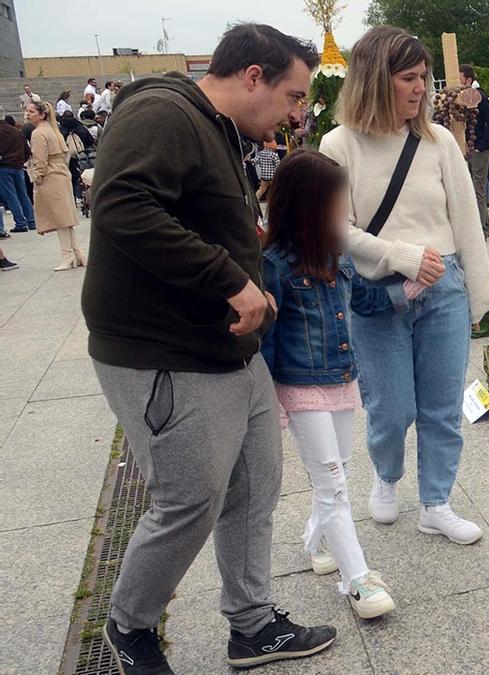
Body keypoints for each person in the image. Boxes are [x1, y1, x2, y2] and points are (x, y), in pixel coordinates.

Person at [83, 23, 336, 673]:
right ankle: (130, 624)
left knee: (255, 486)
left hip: (231, 350)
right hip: (167, 352)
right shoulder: (162, 113)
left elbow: (188, 210)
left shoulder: (218, 127)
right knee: (190, 498)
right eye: (292, 95)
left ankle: (251, 624)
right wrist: (229, 279)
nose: (296, 112)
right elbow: (121, 206)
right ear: (253, 77)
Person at [318, 26, 489, 544]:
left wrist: (479, 295)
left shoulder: (438, 141)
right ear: (376, 79)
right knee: (391, 409)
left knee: (442, 409)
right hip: (378, 297)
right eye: (410, 78)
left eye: (425, 78)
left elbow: (468, 221)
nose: (423, 89)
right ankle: (387, 475)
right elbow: (333, 227)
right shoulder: (338, 144)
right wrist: (401, 255)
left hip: (443, 292)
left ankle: (437, 502)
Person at [259, 150, 396, 620]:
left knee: (339, 469)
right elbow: (267, 339)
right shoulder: (276, 265)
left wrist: (415, 286)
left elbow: (368, 303)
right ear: (311, 205)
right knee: (333, 483)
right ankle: (358, 579)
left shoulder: (338, 256)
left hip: (339, 380)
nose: (346, 211)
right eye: (339, 202)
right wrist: (269, 402)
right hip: (299, 387)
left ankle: (315, 540)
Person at [26, 99, 83, 270]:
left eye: (31, 111)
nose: (27, 114)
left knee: (61, 218)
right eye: (27, 111)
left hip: (51, 174)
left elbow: (40, 160)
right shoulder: (53, 129)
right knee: (66, 217)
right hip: (61, 172)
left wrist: (38, 177)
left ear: (42, 114)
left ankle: (68, 255)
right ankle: (77, 253)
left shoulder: (38, 133)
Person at [458, 64, 489, 238]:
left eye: (460, 78)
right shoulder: (462, 98)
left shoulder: (479, 96)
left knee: (477, 189)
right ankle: (486, 227)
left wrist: (481, 144)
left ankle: (482, 228)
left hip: (479, 149)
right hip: (470, 148)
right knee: (474, 188)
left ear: (468, 79)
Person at [0, 113, 34, 233]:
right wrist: (21, 160)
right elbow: (27, 150)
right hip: (18, 166)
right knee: (23, 194)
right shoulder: (17, 131)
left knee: (11, 195)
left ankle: (20, 222)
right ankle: (31, 220)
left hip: (4, 166)